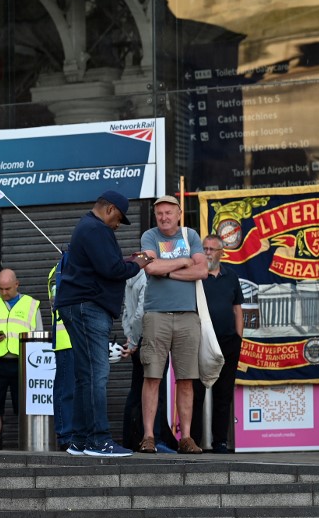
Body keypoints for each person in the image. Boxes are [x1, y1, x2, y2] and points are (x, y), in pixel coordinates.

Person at [56, 191, 150, 457]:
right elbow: (111, 270)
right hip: (89, 307)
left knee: (85, 376)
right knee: (97, 375)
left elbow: (104, 265)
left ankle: (80, 440)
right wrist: (138, 264)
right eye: (118, 219)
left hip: (78, 306)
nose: (117, 225)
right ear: (109, 209)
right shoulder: (97, 229)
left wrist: (128, 261)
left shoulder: (87, 227)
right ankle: (99, 440)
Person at [137, 194, 208, 454]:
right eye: (159, 214)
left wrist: (167, 269)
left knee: (186, 379)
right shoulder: (149, 236)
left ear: (179, 213)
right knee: (152, 376)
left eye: (168, 213)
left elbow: (202, 271)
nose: (164, 218)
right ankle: (148, 436)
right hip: (156, 315)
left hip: (188, 316)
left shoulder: (191, 236)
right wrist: (183, 262)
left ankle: (186, 437)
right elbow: (151, 268)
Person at [0, 268, 43, 449]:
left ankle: (28, 445)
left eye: (8, 289)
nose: (4, 293)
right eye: (0, 288)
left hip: (23, 364)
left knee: (26, 409)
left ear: (17, 285)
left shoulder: (31, 304)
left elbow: (39, 335)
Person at [190, 234, 244, 454]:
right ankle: (193, 440)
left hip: (228, 342)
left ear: (222, 252)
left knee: (223, 393)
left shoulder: (231, 276)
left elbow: (238, 309)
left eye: (212, 249)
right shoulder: (195, 276)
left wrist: (238, 338)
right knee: (196, 393)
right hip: (200, 342)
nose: (208, 252)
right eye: (205, 248)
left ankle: (220, 441)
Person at [122, 269, 177, 453]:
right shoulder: (148, 278)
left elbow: (126, 313)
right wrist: (136, 340)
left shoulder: (131, 277)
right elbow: (140, 313)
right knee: (156, 391)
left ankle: (130, 440)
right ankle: (156, 438)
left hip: (137, 340)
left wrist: (130, 339)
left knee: (137, 392)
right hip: (149, 338)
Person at [48, 257, 75, 452]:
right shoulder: (60, 270)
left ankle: (74, 434)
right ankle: (66, 436)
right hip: (66, 339)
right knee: (66, 390)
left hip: (80, 339)